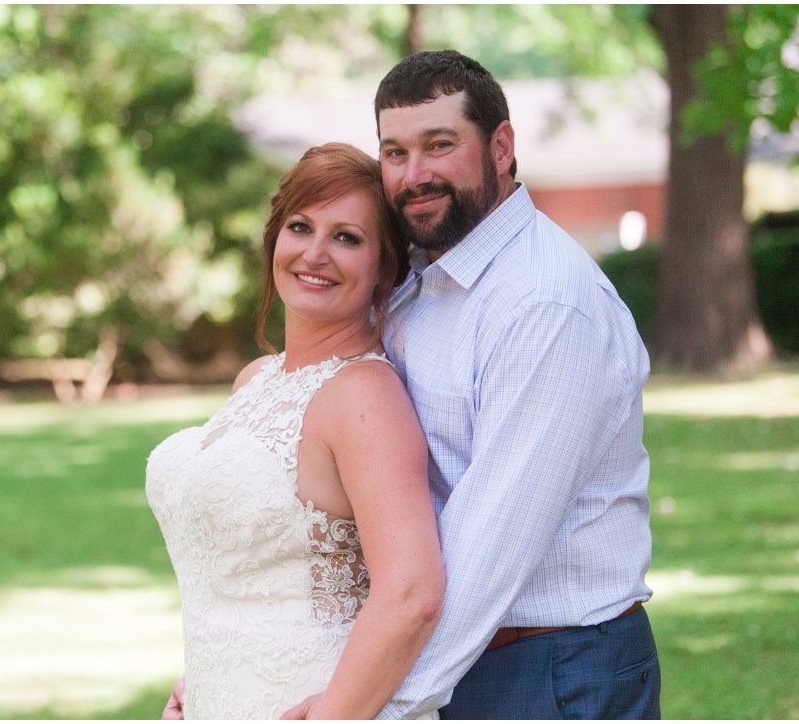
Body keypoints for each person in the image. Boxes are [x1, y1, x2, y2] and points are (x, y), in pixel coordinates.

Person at [285, 49, 661, 720]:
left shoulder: (543, 302)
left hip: (551, 671)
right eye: (395, 153)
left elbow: (491, 544)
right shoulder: (422, 285)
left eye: (439, 146)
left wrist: (376, 703)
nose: (414, 174)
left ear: (502, 147)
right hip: (448, 655)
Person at [146, 142, 445, 720]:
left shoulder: (364, 395)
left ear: (385, 267)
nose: (315, 253)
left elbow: (412, 591)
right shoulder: (255, 380)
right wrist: (205, 680)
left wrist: (337, 713)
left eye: (347, 237)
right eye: (301, 226)